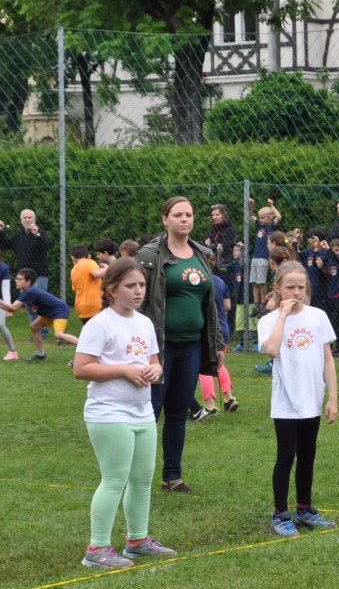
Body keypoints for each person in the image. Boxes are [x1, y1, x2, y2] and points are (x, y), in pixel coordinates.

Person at [72, 257, 176, 570]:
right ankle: (97, 549)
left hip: (142, 412)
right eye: (131, 285)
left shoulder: (144, 322)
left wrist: (156, 369)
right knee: (115, 479)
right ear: (112, 290)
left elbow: (154, 361)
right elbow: (81, 368)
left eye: (142, 284)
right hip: (109, 413)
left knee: (142, 479)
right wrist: (123, 370)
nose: (138, 290)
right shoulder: (100, 324)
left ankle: (137, 541)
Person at [136, 197, 224, 495]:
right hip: (158, 347)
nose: (184, 219)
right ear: (165, 219)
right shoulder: (149, 255)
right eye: (177, 215)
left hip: (192, 346)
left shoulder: (202, 254)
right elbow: (139, 300)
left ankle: (172, 477)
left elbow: (209, 304)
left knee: (177, 412)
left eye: (189, 214)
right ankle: (138, 477)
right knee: (150, 411)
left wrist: (217, 341)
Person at [259, 261, 339, 536]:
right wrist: (282, 315)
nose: (296, 293)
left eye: (301, 287)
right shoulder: (269, 321)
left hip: (312, 400)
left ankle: (304, 509)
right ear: (277, 288)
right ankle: (280, 514)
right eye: (290, 287)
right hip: (286, 402)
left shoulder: (318, 316)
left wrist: (332, 398)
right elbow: (272, 350)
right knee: (286, 456)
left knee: (307, 456)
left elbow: (328, 359)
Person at [0, 269, 78, 360]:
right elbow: (12, 309)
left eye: (20, 279)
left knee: (58, 334)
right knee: (34, 326)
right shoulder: (26, 292)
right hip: (48, 313)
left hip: (59, 311)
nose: (16, 281)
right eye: (16, 279)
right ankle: (41, 355)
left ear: (28, 282)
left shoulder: (29, 292)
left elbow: (13, 307)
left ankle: (85, 346)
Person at [193, 271, 238, 418]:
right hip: (223, 328)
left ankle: (210, 405)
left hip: (208, 328)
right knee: (219, 364)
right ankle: (229, 399)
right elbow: (227, 305)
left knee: (204, 366)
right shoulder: (220, 281)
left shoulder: (196, 280)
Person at [0, 209, 52, 290]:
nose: (27, 220)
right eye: (25, 218)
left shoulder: (41, 233)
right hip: (24, 277)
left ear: (34, 220)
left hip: (39, 276)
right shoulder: (18, 236)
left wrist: (37, 235)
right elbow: (3, 245)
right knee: (25, 298)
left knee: (37, 298)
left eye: (30, 217)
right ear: (21, 221)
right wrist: (1, 231)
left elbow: (46, 246)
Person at [69, 244, 105, 330]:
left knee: (91, 332)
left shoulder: (73, 270)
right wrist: (109, 268)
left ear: (73, 258)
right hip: (94, 305)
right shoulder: (90, 262)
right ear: (89, 256)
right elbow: (96, 273)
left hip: (81, 307)